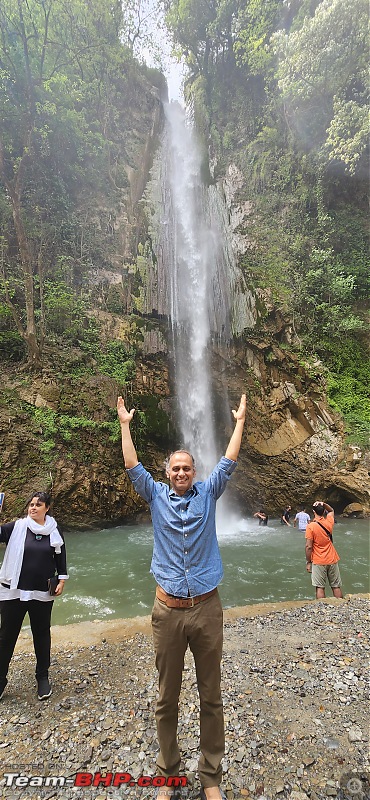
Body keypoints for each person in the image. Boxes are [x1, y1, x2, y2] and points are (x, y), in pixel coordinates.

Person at [117, 393, 246, 800]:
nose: (181, 472)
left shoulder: (209, 494)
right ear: (167, 472)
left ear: (195, 472)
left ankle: (210, 777)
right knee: (165, 698)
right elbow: (131, 466)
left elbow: (230, 460)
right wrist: (124, 426)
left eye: (187, 467)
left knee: (211, 695)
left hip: (207, 608)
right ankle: (168, 774)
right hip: (167, 611)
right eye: (175, 468)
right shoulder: (155, 496)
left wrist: (240, 420)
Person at [0, 491, 68, 700]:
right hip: (13, 590)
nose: (33, 508)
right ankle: (0, 680)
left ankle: (42, 677)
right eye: (31, 504)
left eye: (38, 505)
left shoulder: (54, 531)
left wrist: (62, 579)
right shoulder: (16, 527)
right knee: (5, 637)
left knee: (41, 634)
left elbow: (60, 558)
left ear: (47, 508)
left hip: (41, 591)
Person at [305, 500, 343, 599]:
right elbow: (331, 510)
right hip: (332, 558)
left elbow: (308, 547)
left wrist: (308, 562)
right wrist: (323, 504)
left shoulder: (311, 526)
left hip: (318, 560)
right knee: (336, 586)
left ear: (313, 512)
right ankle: (341, 605)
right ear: (323, 512)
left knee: (320, 587)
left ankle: (322, 609)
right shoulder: (329, 522)